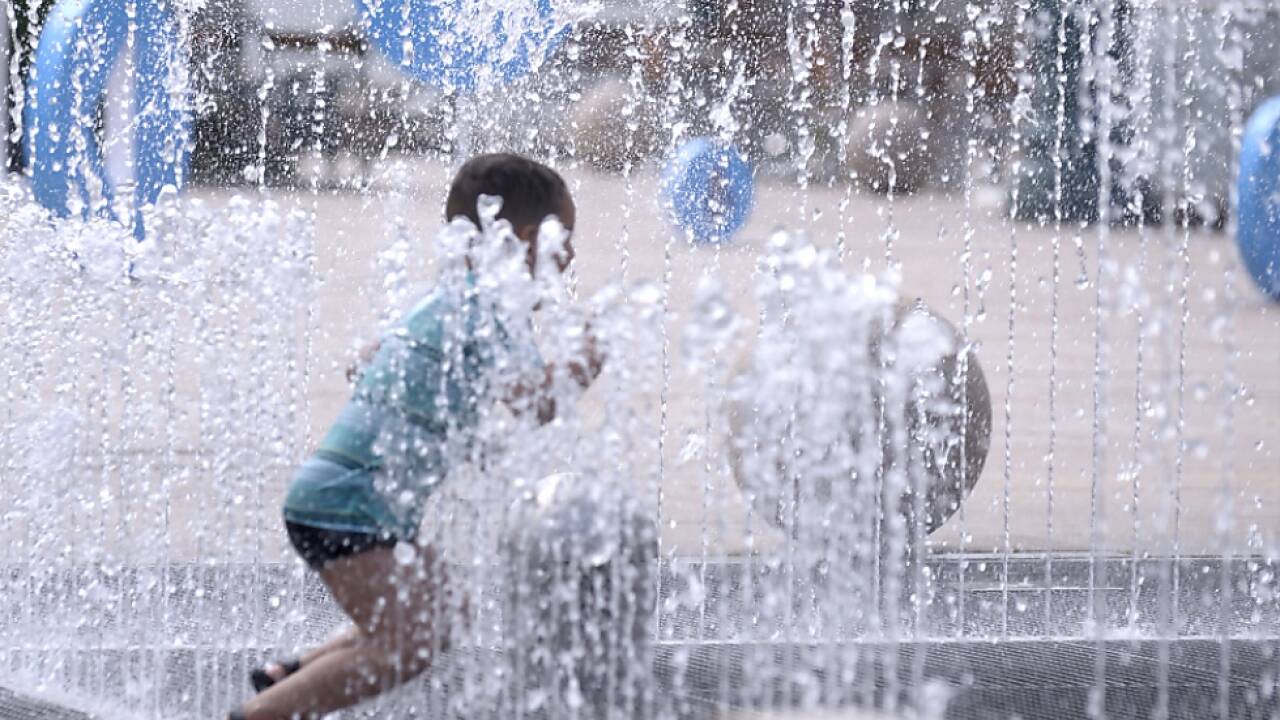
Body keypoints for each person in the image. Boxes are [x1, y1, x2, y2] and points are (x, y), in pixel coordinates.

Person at [230, 153, 604, 720]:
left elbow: (368, 363)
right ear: (528, 237)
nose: (570, 254)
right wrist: (585, 361)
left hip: (345, 501)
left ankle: (289, 675)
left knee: (443, 610)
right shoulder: (494, 305)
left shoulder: (451, 297)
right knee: (408, 643)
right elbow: (535, 404)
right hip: (345, 508)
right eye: (564, 238)